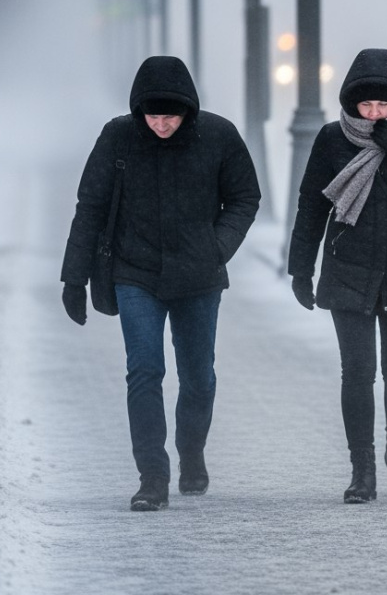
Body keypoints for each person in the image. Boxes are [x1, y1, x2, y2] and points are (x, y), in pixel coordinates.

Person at [60, 55, 261, 511]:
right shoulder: (118, 137)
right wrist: (74, 278)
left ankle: (191, 452)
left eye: (170, 116)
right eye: (153, 116)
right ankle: (152, 475)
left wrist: (217, 247)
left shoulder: (218, 135)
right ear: (139, 111)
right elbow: (89, 206)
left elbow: (246, 196)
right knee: (145, 370)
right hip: (136, 273)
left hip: (199, 276)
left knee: (198, 379)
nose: (162, 124)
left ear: (188, 110)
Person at [287, 48, 387, 504]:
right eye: (367, 106)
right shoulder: (330, 139)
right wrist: (300, 267)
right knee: (357, 374)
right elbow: (311, 205)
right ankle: (362, 469)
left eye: (384, 106)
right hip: (349, 269)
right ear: (351, 103)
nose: (375, 114)